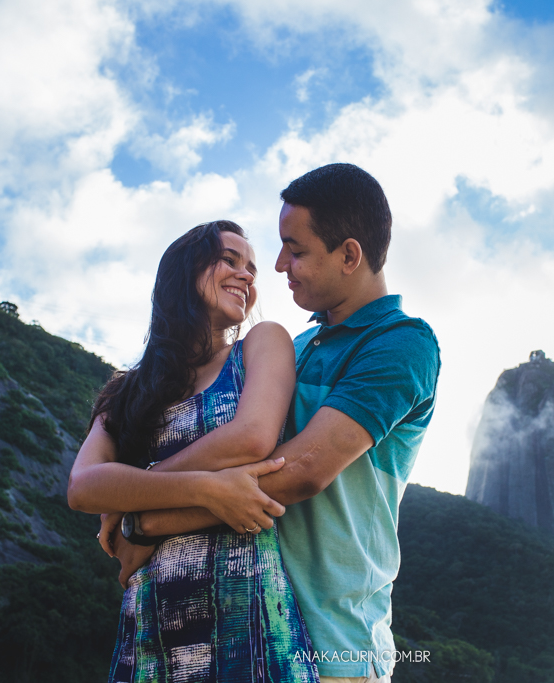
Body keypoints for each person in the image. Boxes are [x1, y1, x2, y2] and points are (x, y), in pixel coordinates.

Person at [105, 164, 441, 683]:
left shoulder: (401, 344)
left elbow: (301, 470)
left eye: (297, 249)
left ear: (350, 255)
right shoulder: (291, 349)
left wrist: (144, 519)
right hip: (247, 627)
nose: (280, 264)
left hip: (335, 643)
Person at [67, 220, 320, 683]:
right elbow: (83, 487)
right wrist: (205, 486)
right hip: (149, 630)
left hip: (249, 621)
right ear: (184, 272)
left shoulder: (263, 344)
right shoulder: (128, 389)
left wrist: (131, 499)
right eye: (230, 259)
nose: (247, 276)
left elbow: (252, 438)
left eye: (252, 269)